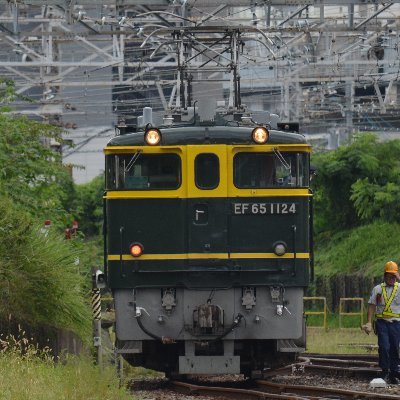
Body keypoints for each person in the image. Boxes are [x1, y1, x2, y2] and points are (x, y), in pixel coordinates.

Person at [361, 261, 400, 384]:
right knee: (384, 346)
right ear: (384, 276)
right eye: (390, 275)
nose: (392, 278)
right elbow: (372, 305)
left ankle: (394, 373)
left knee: (394, 347)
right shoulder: (378, 289)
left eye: (394, 276)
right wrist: (368, 322)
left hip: (396, 324)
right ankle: (385, 372)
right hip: (382, 323)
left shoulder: (399, 288)